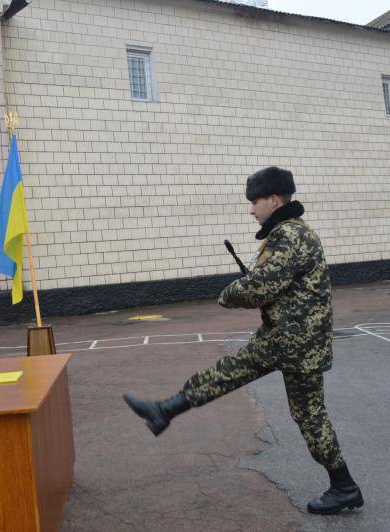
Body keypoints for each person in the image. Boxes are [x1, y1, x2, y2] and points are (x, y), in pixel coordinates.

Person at [123, 167, 364, 515]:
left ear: (274, 200)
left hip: (294, 343)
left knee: (294, 407)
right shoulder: (292, 232)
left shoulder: (289, 236)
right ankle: (165, 410)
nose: (251, 210)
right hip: (291, 338)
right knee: (253, 383)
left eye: (255, 202)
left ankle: (344, 487)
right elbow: (278, 285)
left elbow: (259, 288)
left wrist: (229, 293)